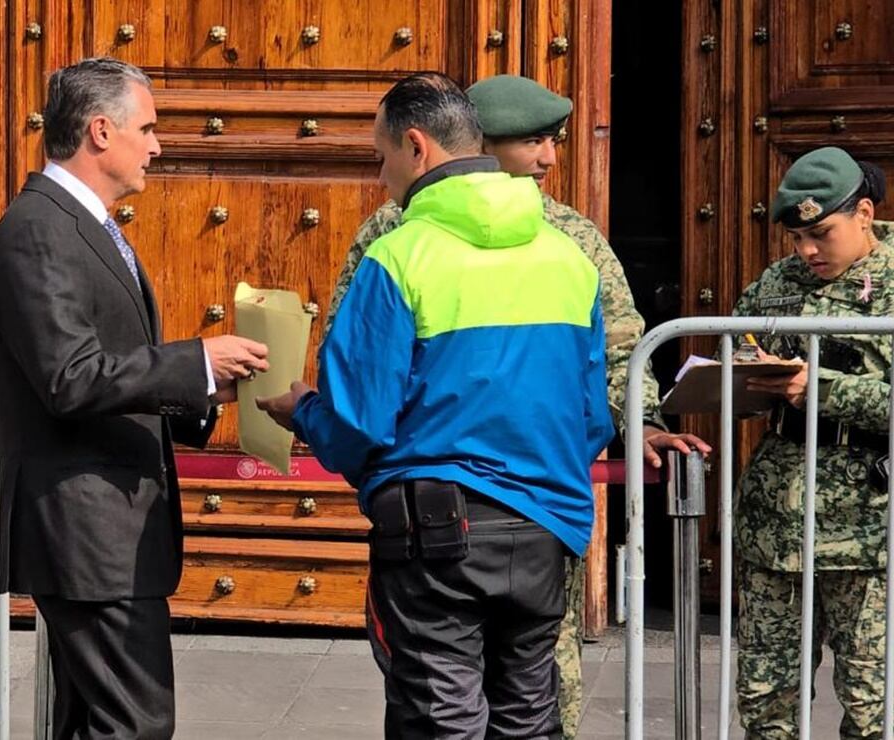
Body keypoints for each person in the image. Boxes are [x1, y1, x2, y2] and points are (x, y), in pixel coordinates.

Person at [324, 73, 711, 738]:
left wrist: (641, 421)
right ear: (479, 143)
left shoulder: (570, 235)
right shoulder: (393, 227)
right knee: (468, 697)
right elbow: (353, 345)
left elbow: (619, 348)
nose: (549, 158)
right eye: (532, 142)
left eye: (553, 141)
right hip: (474, 509)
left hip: (509, 513)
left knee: (513, 700)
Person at [259, 71, 616, 739]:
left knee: (439, 719)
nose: (380, 174)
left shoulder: (398, 257)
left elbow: (359, 424)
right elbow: (594, 416)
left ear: (416, 146)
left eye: (381, 155)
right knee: (528, 721)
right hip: (547, 528)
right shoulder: (568, 257)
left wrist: (301, 409)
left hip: (435, 534)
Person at [0, 58, 268, 739]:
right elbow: (69, 377)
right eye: (148, 129)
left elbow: (113, 364)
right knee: (135, 723)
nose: (158, 146)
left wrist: (204, 390)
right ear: (101, 131)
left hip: (108, 531)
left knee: (96, 722)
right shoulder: (37, 231)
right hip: (84, 529)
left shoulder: (86, 225)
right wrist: (195, 360)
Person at [732, 146, 891, 738]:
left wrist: (820, 388)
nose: (806, 251)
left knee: (873, 701)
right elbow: (739, 345)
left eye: (821, 234)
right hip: (777, 521)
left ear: (864, 214)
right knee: (764, 694)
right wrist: (742, 375)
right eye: (797, 238)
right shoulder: (779, 281)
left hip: (866, 530)